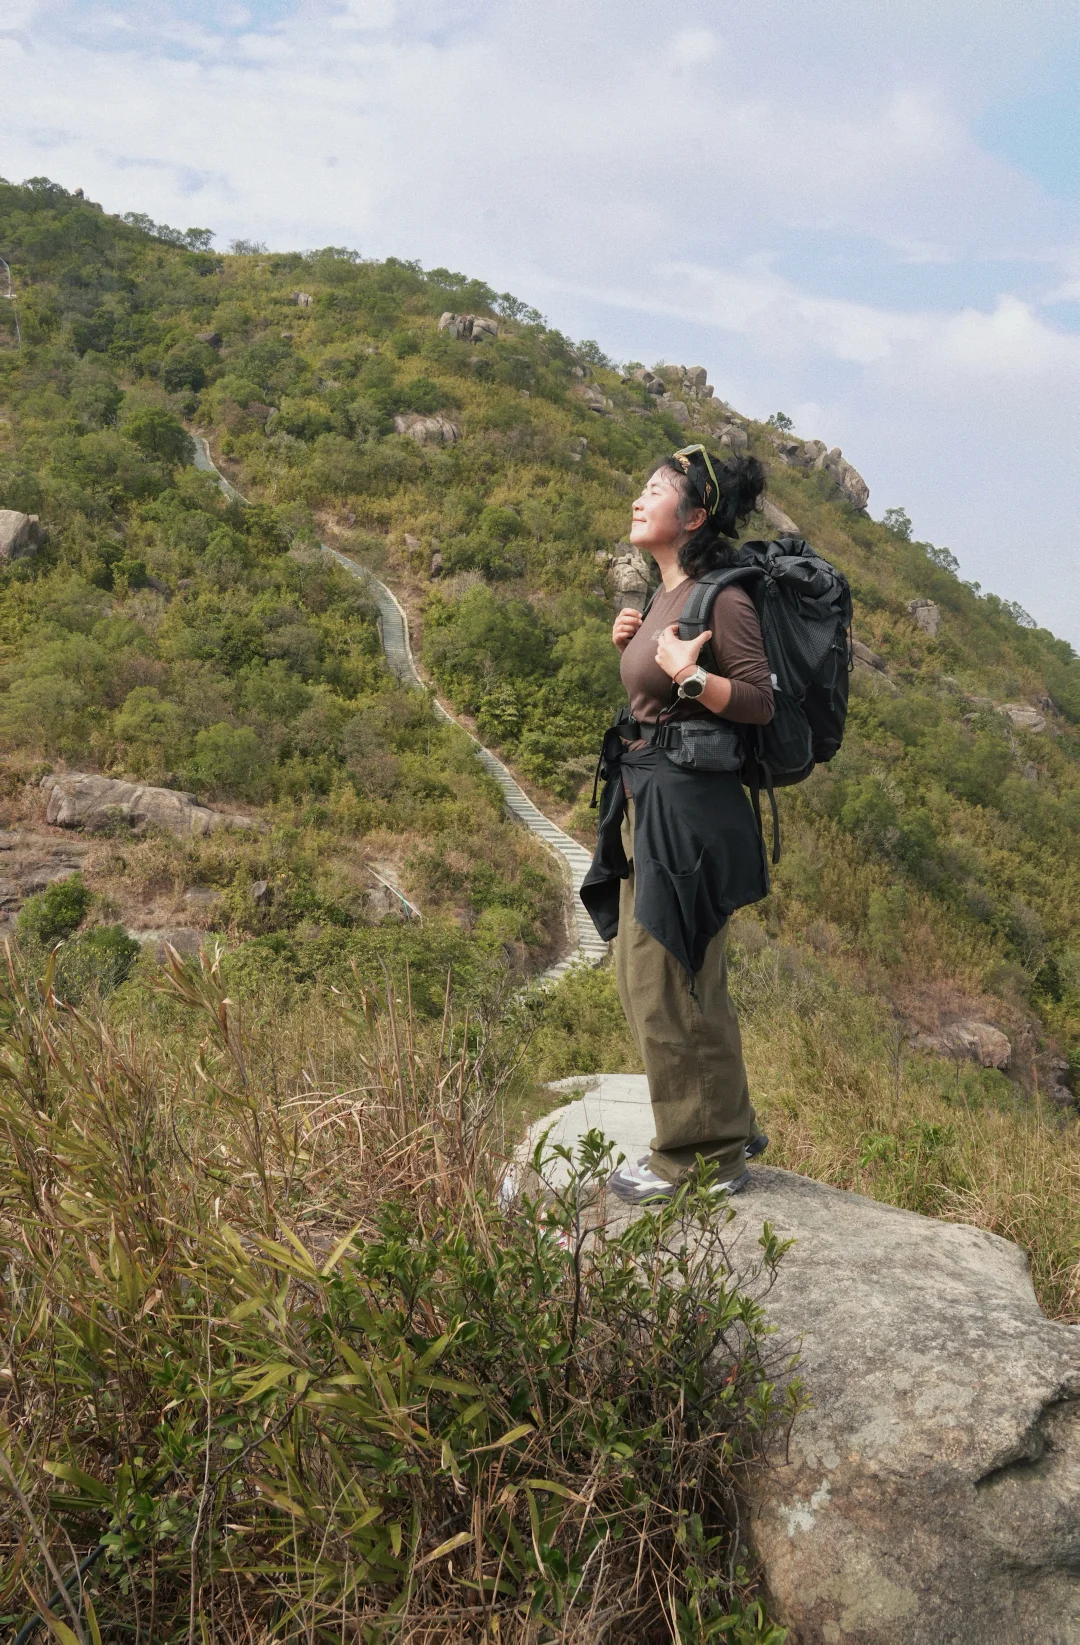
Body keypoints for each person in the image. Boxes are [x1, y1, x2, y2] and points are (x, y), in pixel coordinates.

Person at [580, 445, 774, 1204]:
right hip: (649, 800)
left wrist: (691, 676)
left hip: (688, 814)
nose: (639, 498)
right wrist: (636, 651)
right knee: (652, 974)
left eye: (657, 489)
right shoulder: (666, 596)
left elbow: (758, 699)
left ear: (694, 517)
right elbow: (656, 697)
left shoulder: (720, 599)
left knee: (671, 977)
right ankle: (724, 1126)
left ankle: (704, 1156)